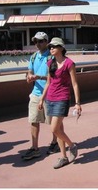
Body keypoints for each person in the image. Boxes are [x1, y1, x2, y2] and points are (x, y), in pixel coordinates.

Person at [38, 37, 82, 169]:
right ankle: (63, 157)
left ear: (61, 48)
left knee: (54, 129)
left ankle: (72, 146)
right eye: (50, 46)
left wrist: (78, 103)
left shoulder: (69, 63)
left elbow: (74, 84)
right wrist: (42, 98)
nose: (51, 48)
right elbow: (48, 83)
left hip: (62, 99)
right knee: (59, 130)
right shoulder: (50, 63)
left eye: (54, 46)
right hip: (50, 98)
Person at [22, 32, 59, 160]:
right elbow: (30, 71)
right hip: (36, 93)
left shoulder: (52, 57)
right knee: (33, 120)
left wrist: (39, 77)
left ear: (46, 42)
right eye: (36, 41)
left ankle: (55, 142)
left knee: (53, 121)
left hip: (50, 94)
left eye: (41, 41)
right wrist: (29, 77)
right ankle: (35, 148)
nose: (38, 44)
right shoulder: (33, 57)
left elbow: (53, 77)